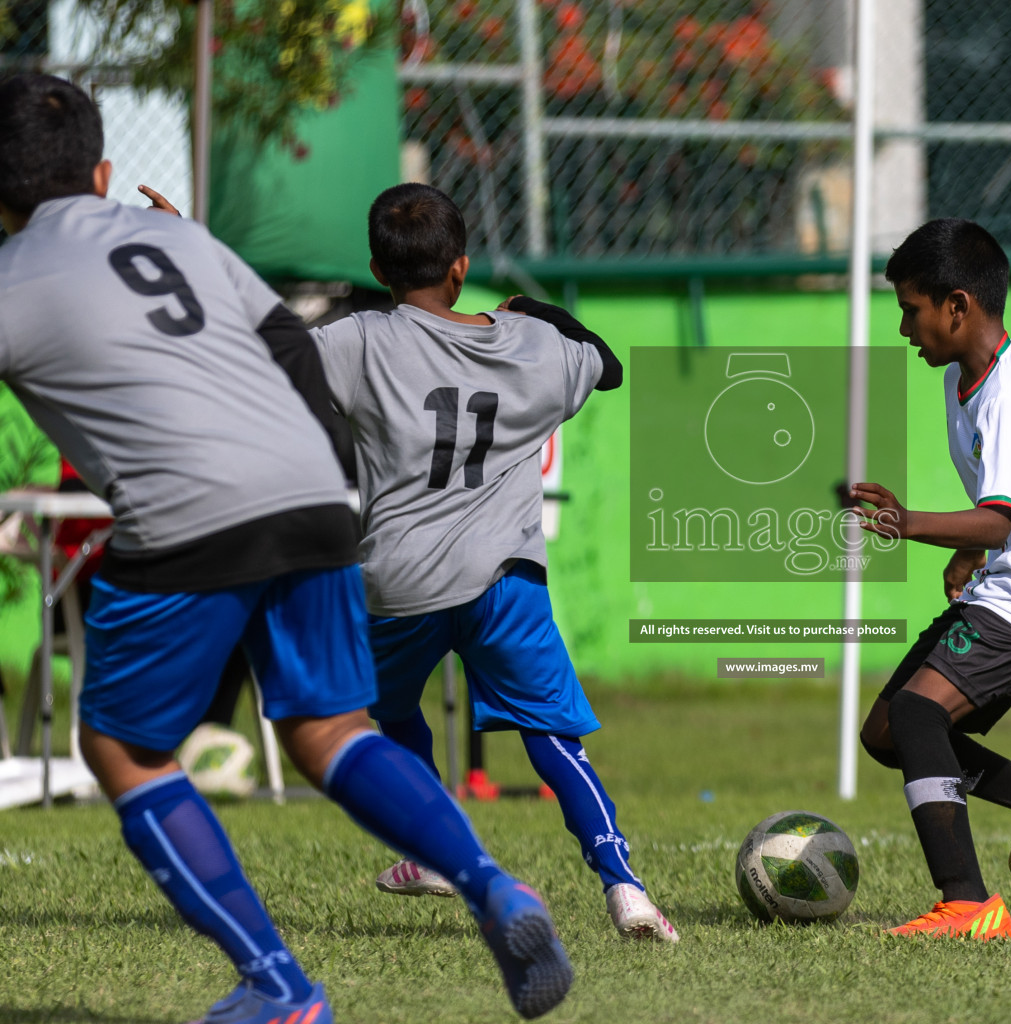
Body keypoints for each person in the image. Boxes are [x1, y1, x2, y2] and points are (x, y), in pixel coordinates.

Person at [0, 74, 572, 1022]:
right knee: (328, 730)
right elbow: (293, 348)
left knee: (120, 745)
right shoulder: (179, 236)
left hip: (187, 512)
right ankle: (490, 885)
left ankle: (279, 984)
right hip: (313, 493)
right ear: (102, 172)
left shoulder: (13, 280)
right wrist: (310, 473)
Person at [308, 183, 678, 942]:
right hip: (507, 578)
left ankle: (433, 850)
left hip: (399, 579)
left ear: (380, 269)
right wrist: (531, 313)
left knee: (389, 714)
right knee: (549, 736)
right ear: (461, 266)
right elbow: (607, 366)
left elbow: (258, 354)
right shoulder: (532, 346)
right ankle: (626, 889)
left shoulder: (361, 340)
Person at [852, 218, 1011, 940]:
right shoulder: (964, 376)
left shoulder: (1008, 395)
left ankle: (967, 903)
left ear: (957, 307)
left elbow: (1000, 517)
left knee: (918, 716)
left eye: (911, 309)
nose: (904, 328)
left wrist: (912, 524)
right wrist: (971, 554)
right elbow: (1006, 508)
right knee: (887, 732)